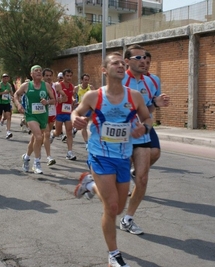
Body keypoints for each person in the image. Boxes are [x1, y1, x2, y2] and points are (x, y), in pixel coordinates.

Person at [72, 52, 152, 267]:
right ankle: (114, 254)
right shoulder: (94, 96)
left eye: (122, 63)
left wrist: (144, 127)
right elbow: (76, 112)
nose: (120, 65)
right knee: (112, 206)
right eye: (115, 63)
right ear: (104, 70)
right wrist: (76, 120)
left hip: (123, 157)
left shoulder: (134, 96)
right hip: (100, 155)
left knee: (118, 209)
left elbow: (147, 117)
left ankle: (89, 185)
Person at [119, 45, 169, 235]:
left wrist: (154, 106)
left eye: (144, 58)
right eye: (138, 57)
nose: (143, 61)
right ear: (127, 61)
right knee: (116, 180)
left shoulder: (152, 81)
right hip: (120, 132)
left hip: (142, 131)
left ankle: (128, 219)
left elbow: (149, 110)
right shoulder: (119, 79)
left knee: (143, 176)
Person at [14, 65, 55, 174]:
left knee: (34, 139)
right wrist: (18, 105)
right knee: (38, 136)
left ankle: (26, 158)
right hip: (31, 115)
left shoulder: (46, 86)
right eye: (36, 71)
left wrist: (47, 102)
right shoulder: (27, 85)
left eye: (40, 71)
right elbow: (16, 95)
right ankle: (36, 163)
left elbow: (53, 100)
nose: (38, 72)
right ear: (31, 74)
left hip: (43, 115)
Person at [144, 51, 170, 167]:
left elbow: (155, 100)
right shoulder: (125, 78)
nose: (144, 64)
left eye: (148, 62)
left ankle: (136, 172)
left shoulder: (154, 80)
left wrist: (160, 101)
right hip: (127, 123)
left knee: (155, 152)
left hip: (145, 122)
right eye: (142, 61)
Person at [50, 69, 77, 160]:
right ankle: (53, 135)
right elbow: (56, 95)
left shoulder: (72, 86)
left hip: (68, 111)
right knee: (58, 132)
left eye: (70, 76)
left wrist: (73, 100)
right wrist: (60, 99)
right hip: (59, 111)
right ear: (64, 76)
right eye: (67, 76)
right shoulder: (58, 85)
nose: (69, 78)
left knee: (69, 132)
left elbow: (70, 96)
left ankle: (69, 152)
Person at [73, 73, 95, 149]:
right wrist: (74, 101)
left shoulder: (91, 87)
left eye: (88, 80)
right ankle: (86, 142)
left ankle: (76, 130)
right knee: (84, 126)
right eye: (85, 80)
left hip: (88, 109)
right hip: (80, 109)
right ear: (81, 80)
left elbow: (95, 97)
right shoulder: (77, 88)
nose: (86, 81)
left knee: (84, 125)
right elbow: (72, 96)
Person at [0, 73, 13, 139]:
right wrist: (3, 93)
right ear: (2, 78)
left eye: (7, 77)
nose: (6, 79)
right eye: (4, 77)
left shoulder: (9, 85)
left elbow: (11, 93)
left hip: (6, 103)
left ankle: (8, 132)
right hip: (0, 103)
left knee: (8, 116)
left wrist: (12, 96)